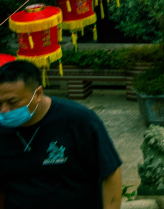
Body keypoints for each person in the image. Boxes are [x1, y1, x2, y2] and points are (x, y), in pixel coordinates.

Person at [0, 59, 123, 209]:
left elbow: (110, 172)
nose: (4, 110)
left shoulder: (79, 120)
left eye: (12, 102)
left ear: (37, 94)